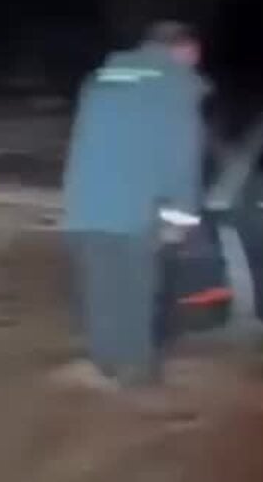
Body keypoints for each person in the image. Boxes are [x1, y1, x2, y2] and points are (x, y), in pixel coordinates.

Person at [59, 21, 211, 386]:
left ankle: (104, 373)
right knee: (137, 297)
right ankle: (139, 383)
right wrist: (181, 221)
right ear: (181, 50)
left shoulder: (100, 80)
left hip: (84, 208)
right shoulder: (175, 86)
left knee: (101, 297)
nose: (194, 66)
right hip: (134, 211)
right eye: (193, 58)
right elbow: (182, 160)